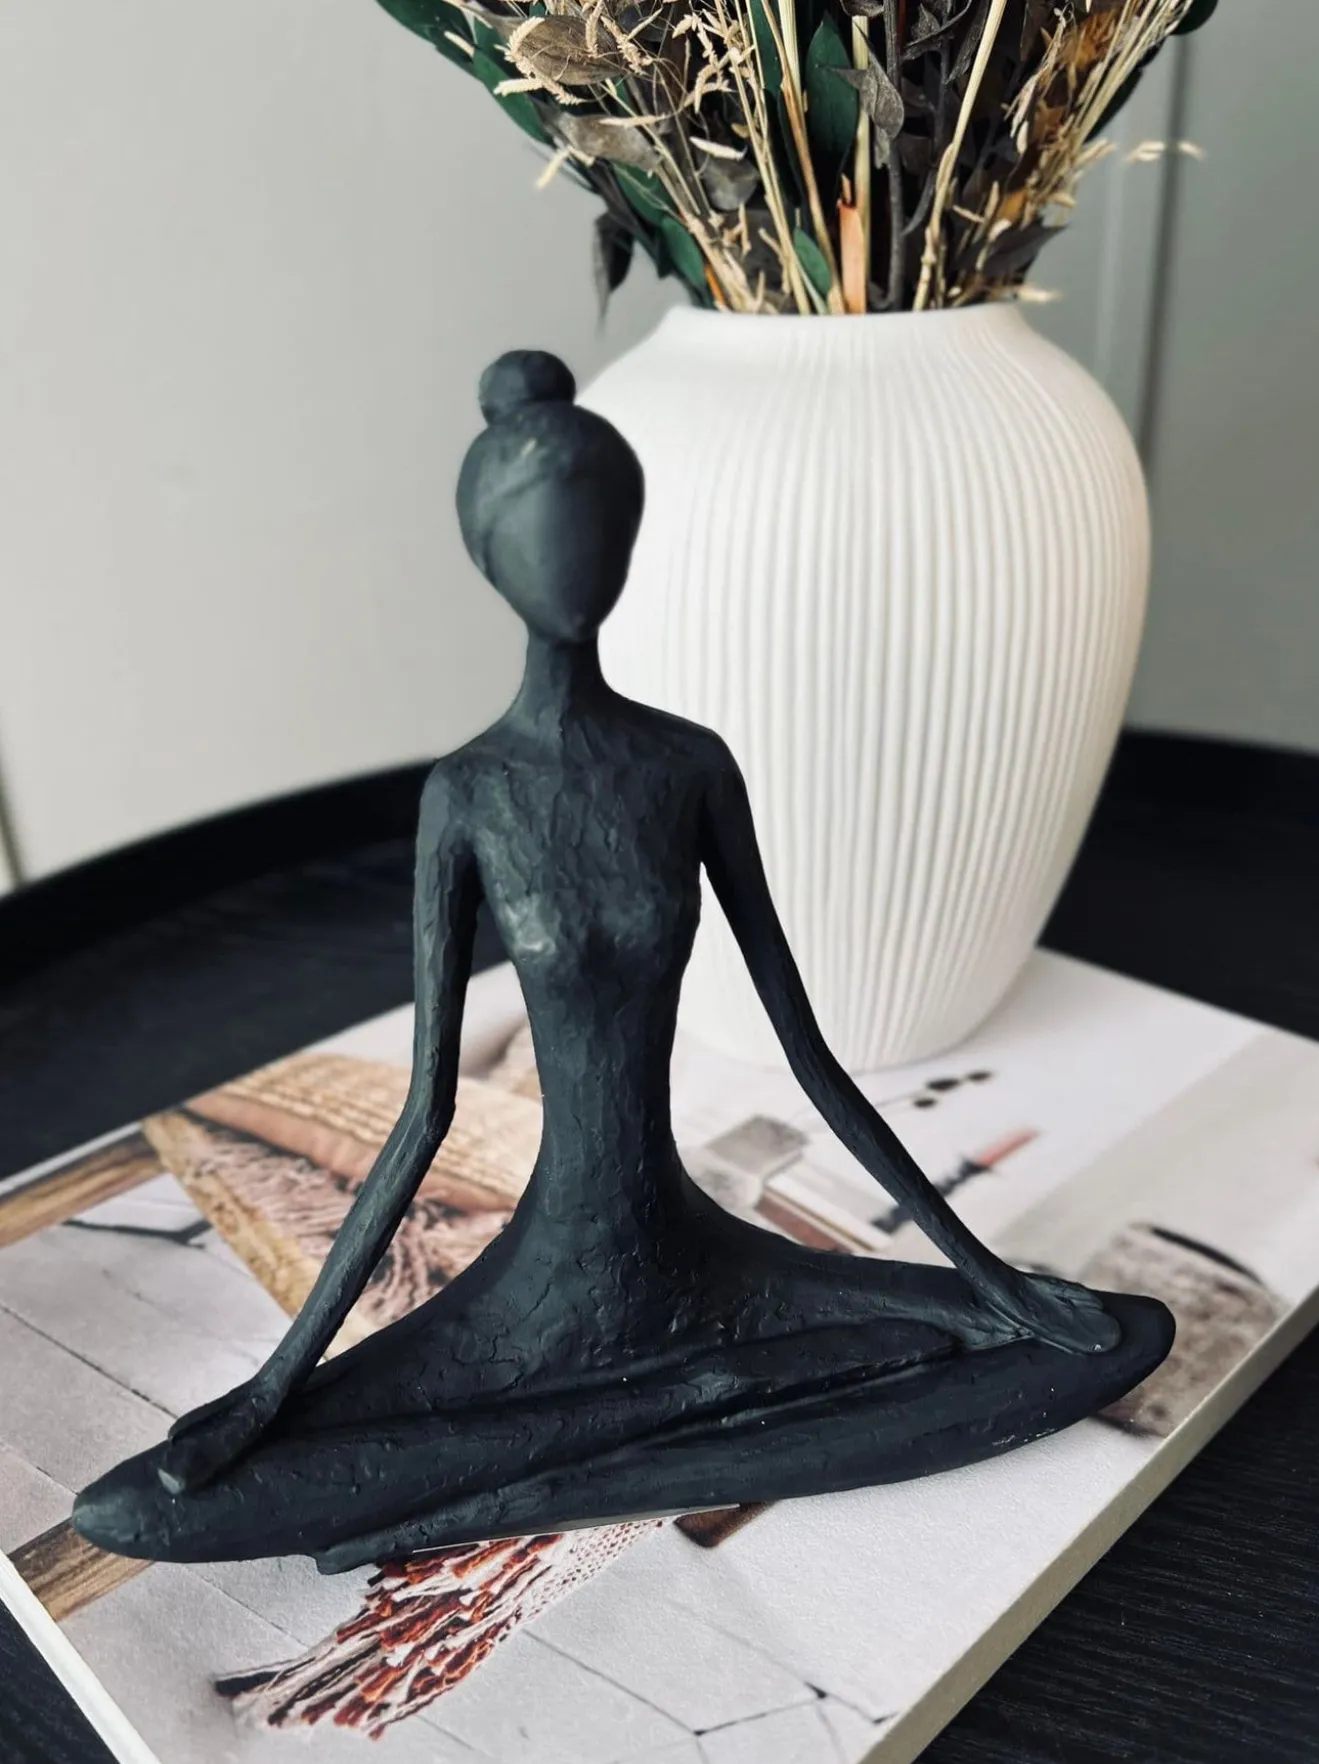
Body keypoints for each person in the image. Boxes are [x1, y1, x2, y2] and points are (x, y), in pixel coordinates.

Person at [75, 352, 1172, 1571]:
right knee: (144, 1507)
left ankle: (613, 1437)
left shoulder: (685, 766)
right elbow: (427, 1106)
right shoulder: (472, 794)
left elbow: (806, 1054)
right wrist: (274, 1388)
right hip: (534, 1289)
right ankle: (646, 1421)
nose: (575, 559)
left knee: (1105, 1332)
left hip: (708, 1262)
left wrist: (985, 1277)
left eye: (598, 526)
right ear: (490, 555)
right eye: (546, 531)